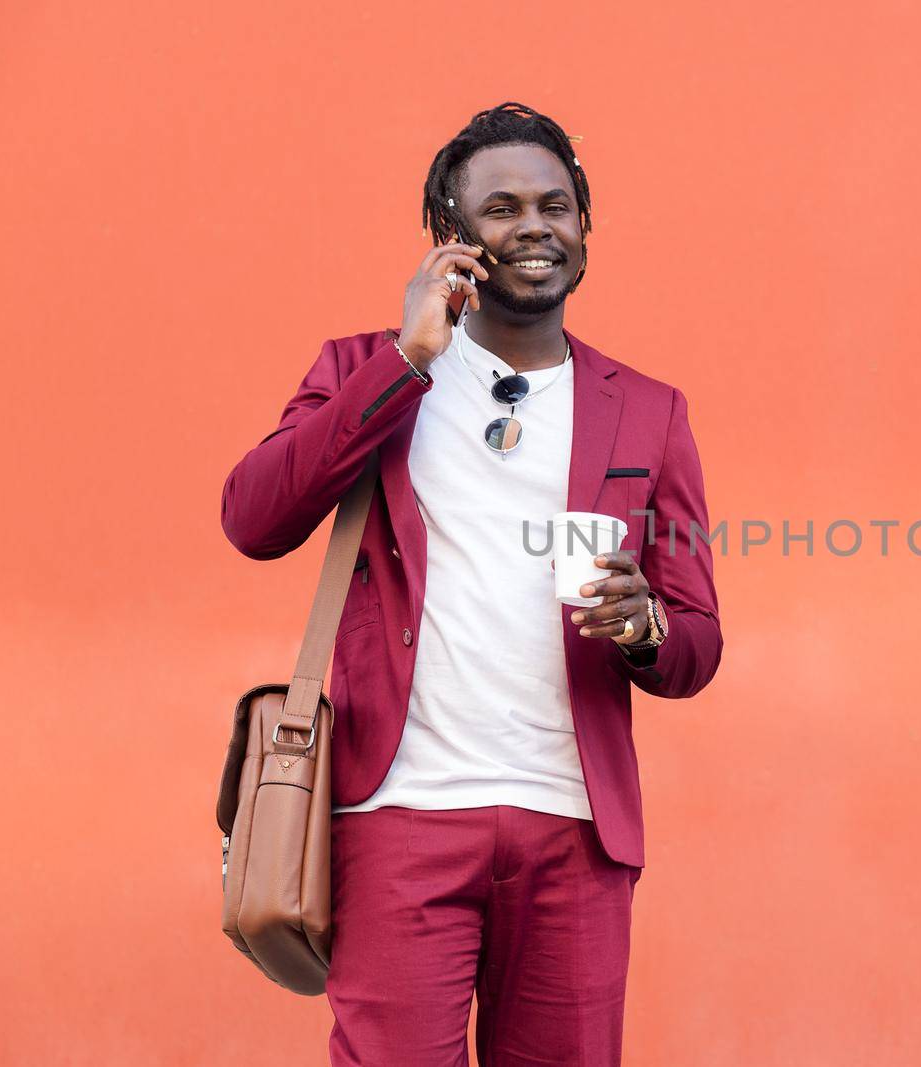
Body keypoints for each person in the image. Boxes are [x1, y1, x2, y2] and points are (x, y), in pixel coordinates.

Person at [219, 101, 723, 1067]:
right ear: (453, 238)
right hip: (398, 813)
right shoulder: (364, 367)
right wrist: (409, 360)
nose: (534, 225)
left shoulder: (651, 413)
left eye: (557, 205)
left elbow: (698, 639)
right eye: (501, 207)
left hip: (575, 826)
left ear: (585, 229)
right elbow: (254, 518)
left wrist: (644, 623)